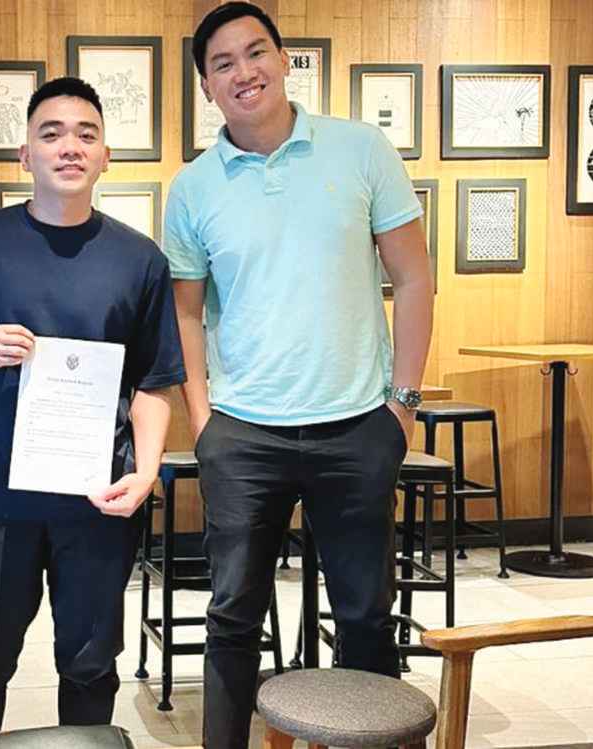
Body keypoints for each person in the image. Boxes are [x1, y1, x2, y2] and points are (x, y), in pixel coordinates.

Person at [161, 4, 435, 747]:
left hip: (357, 426)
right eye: (223, 63)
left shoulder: (361, 150)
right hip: (244, 433)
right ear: (208, 87)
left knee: (366, 615)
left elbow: (413, 278)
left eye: (256, 53)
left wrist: (401, 404)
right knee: (231, 615)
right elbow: (186, 312)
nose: (243, 71)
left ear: (286, 61)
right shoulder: (192, 187)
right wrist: (203, 417)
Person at [0, 77, 185, 735]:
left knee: (92, 662)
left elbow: (155, 380)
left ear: (105, 157)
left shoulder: (139, 258)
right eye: (52, 133)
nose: (69, 146)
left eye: (86, 134)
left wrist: (146, 471)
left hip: (97, 499)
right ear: (24, 154)